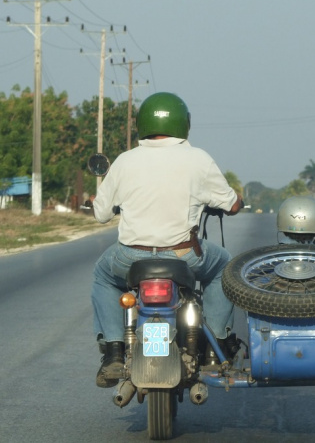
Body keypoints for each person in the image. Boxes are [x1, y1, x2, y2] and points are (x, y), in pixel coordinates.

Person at [90, 92, 244, 388]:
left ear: (142, 123)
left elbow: (101, 213)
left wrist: (97, 201)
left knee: (102, 276)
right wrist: (237, 200)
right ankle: (215, 348)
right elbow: (231, 205)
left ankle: (113, 353)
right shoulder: (198, 159)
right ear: (184, 123)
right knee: (225, 266)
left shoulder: (124, 161)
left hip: (131, 257)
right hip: (183, 256)